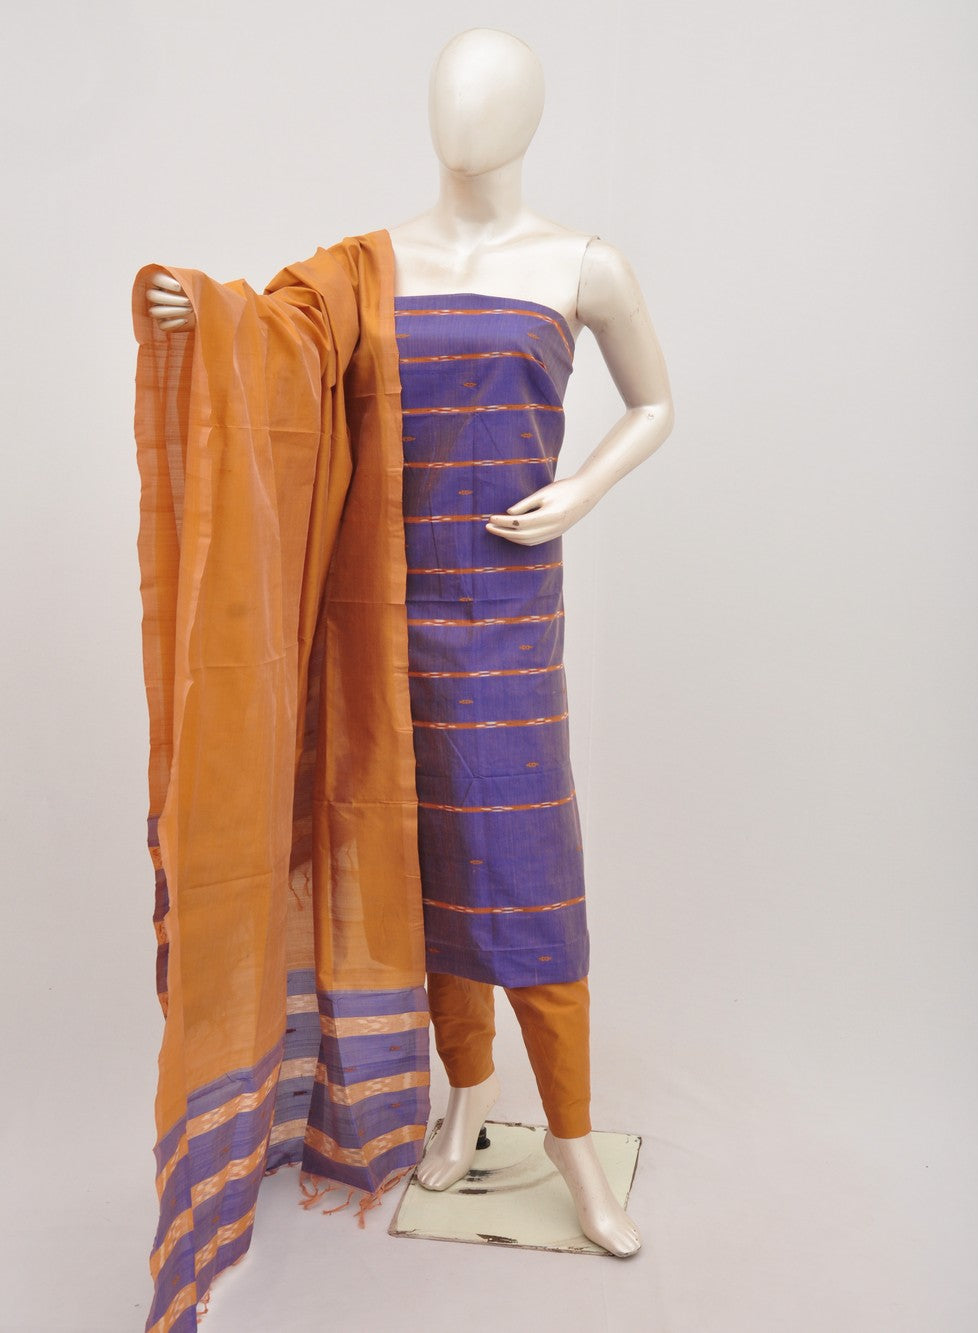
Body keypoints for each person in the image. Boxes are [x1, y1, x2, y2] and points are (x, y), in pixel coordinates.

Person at [146, 26, 674, 1260]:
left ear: (530, 116)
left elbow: (654, 401)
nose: (467, 118)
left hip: (507, 623)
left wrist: (582, 489)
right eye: (451, 94)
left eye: (491, 97)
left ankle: (574, 1149)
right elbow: (277, 348)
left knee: (525, 882)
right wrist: (210, 314)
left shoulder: (582, 264)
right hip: (377, 626)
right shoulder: (366, 271)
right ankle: (466, 1101)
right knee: (419, 877)